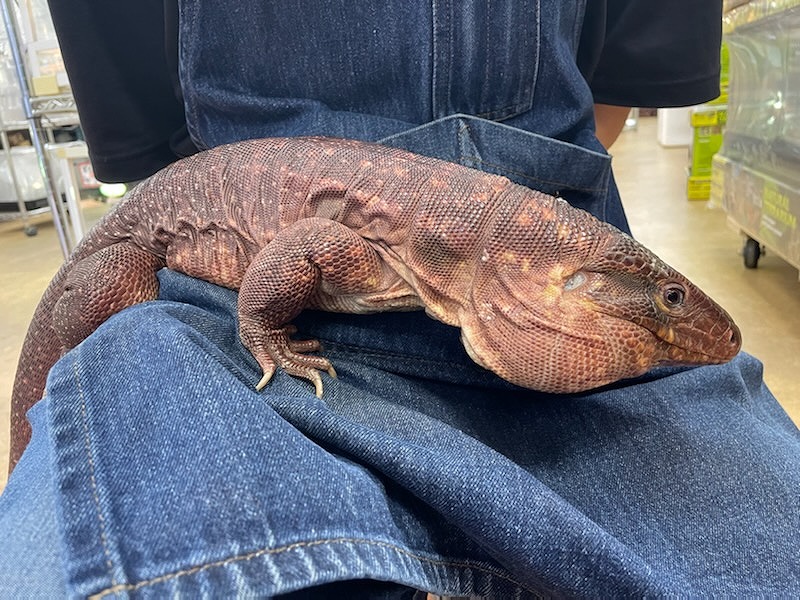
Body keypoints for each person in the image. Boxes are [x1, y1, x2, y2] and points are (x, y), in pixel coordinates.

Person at [2, 1, 798, 597]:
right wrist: (266, 333)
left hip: (532, 207)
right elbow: (294, 248)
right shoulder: (363, 254)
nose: (673, 311)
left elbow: (625, 87)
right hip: (193, 272)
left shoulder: (495, 267)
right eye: (666, 298)